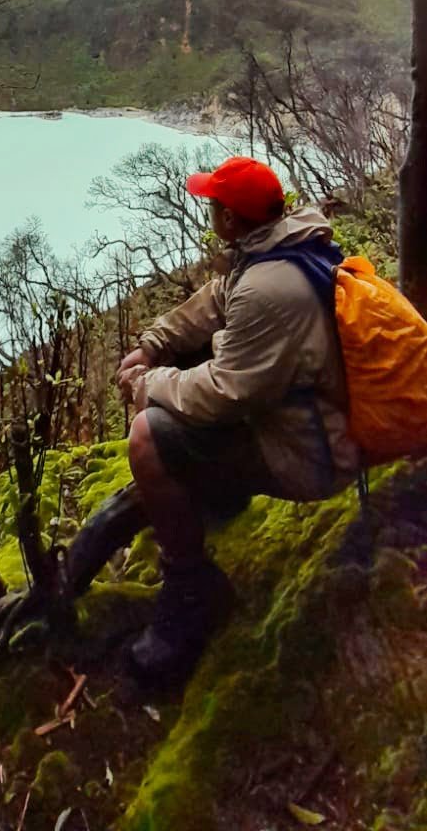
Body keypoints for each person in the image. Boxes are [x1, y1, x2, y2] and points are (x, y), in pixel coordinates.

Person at [115, 155, 360, 685]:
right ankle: (217, 501)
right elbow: (214, 301)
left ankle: (191, 590)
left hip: (308, 456)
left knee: (147, 437)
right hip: (302, 423)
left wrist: (147, 384)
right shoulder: (282, 249)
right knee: (184, 377)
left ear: (229, 219)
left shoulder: (269, 288)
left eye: (213, 204)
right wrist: (151, 346)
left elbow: (226, 393)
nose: (208, 210)